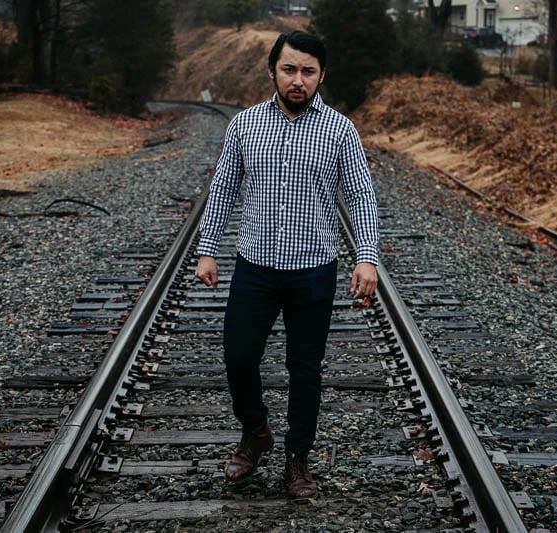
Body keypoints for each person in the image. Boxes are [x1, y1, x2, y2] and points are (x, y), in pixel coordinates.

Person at [194, 30, 379, 500]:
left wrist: (367, 258)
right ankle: (255, 431)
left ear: (321, 75)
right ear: (272, 71)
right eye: (289, 69)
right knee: (238, 357)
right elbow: (224, 190)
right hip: (255, 266)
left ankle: (298, 460)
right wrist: (207, 247)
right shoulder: (245, 125)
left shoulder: (339, 130)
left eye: (308, 71)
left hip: (313, 269)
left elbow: (360, 196)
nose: (298, 80)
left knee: (306, 369)